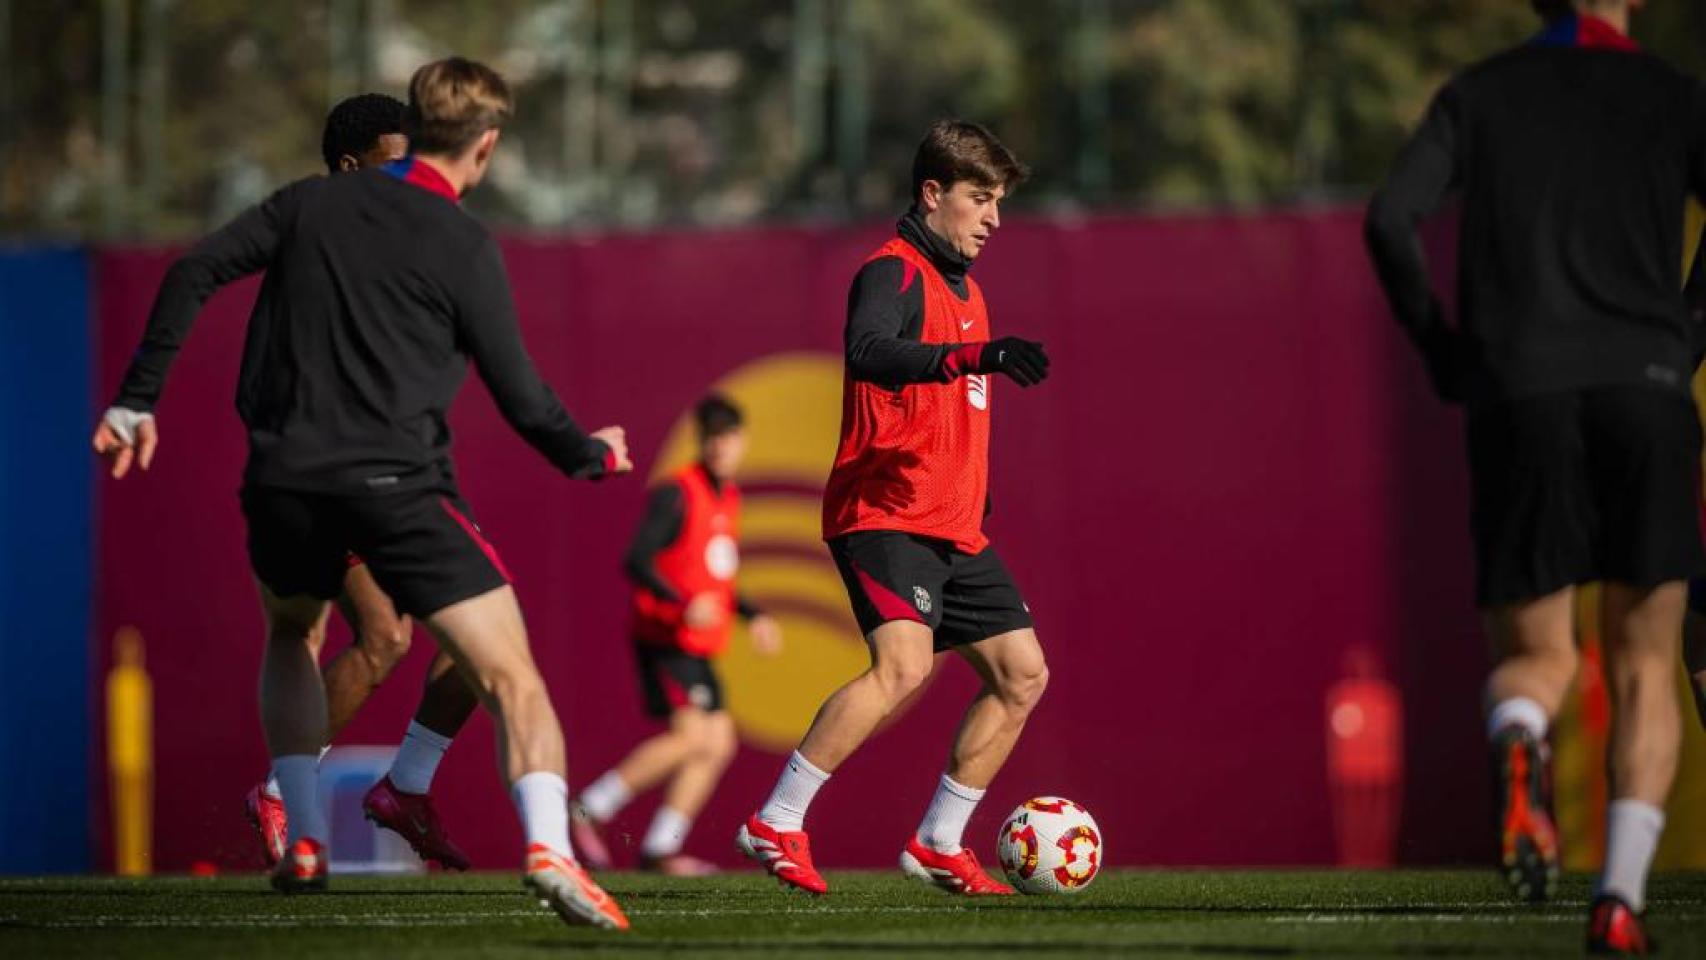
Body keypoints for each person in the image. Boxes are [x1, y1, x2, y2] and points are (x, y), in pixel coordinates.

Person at [93, 57, 631, 930]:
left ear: (418, 127)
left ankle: (309, 831)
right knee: (510, 673)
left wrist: (133, 401)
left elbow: (192, 269)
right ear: (486, 146)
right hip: (393, 486)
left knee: (295, 633)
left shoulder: (307, 206)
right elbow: (522, 396)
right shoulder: (458, 239)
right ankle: (548, 849)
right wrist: (589, 456)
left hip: (281, 481)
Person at [1365, 1, 1705, 952]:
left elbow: (1391, 219)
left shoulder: (1481, 94)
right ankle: (1621, 900)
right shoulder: (1674, 96)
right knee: (1643, 664)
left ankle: (1521, 730)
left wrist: (1444, 352)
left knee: (1538, 655)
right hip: (1645, 389)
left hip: (1520, 396)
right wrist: (1687, 335)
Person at [735, 119, 1051, 897]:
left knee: (1022, 675)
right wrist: (976, 356)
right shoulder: (892, 270)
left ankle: (940, 840)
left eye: (1000, 202)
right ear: (933, 193)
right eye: (981, 199)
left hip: (952, 525)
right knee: (903, 666)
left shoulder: (970, 290)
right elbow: (869, 351)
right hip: (883, 514)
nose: (994, 219)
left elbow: (956, 413)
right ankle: (775, 820)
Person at [239, 92, 482, 875]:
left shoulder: (412, 234)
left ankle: (406, 785)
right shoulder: (314, 242)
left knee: (480, 642)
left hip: (406, 468)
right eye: (393, 159)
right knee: (384, 636)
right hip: (332, 473)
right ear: (350, 167)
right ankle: (285, 788)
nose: (410, 174)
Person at [568, 394, 783, 875]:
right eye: (713, 438)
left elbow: (718, 579)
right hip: (664, 636)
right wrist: (684, 606)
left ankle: (659, 847)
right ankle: (587, 809)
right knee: (692, 738)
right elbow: (636, 560)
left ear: (741, 441)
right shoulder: (676, 493)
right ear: (702, 441)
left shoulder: (727, 496)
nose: (721, 447)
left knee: (719, 741)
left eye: (729, 437)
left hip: (697, 644)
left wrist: (755, 615)